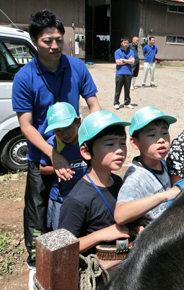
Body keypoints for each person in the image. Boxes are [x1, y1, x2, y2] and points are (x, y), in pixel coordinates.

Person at [11, 10, 101, 287]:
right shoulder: (24, 77)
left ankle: (76, 253)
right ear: (34, 41)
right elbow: (26, 126)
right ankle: (35, 261)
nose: (54, 46)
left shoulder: (77, 67)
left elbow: (94, 105)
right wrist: (53, 154)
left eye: (59, 39)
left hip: (76, 154)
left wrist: (96, 139)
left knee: (77, 204)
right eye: (47, 40)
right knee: (38, 208)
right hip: (43, 154)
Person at [114, 106, 184, 234]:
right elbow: (120, 215)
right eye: (151, 134)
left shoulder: (162, 163)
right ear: (134, 143)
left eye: (164, 133)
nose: (161, 139)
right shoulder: (136, 177)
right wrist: (164, 196)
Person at [58, 110, 130, 254]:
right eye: (110, 144)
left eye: (122, 143)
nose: (119, 150)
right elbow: (63, 247)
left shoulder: (118, 182)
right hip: (96, 270)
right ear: (86, 152)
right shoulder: (77, 200)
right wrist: (99, 235)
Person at [39, 102, 85, 231]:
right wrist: (57, 168)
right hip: (61, 198)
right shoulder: (53, 143)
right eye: (58, 130)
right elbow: (42, 168)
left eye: (68, 127)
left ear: (77, 122)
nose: (64, 134)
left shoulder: (86, 140)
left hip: (84, 195)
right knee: (61, 232)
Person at [114, 37, 135, 110]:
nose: (126, 44)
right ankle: (116, 103)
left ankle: (127, 103)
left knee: (127, 89)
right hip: (119, 73)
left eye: (127, 43)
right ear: (121, 43)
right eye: (124, 43)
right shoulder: (117, 52)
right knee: (118, 89)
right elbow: (118, 62)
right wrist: (127, 61)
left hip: (128, 73)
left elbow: (132, 61)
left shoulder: (131, 51)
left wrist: (123, 60)